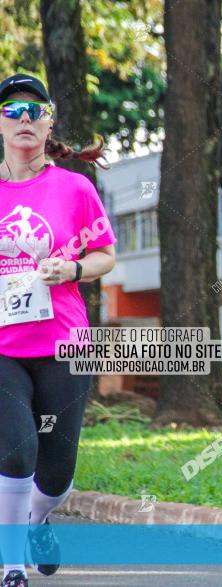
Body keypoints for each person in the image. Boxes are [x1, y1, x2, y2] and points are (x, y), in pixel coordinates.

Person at [0, 74, 117, 587]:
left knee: (56, 473)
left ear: (49, 122)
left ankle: (39, 518)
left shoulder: (75, 187)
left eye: (35, 110)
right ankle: (12, 563)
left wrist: (70, 270)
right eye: (12, 109)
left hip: (64, 343)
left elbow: (105, 255)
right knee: (17, 452)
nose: (24, 119)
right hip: (3, 347)